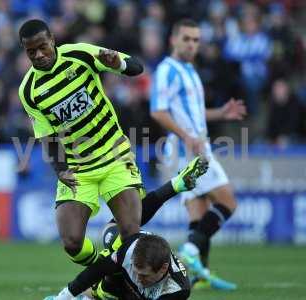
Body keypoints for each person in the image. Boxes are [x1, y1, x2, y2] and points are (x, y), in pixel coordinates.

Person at [18, 19, 146, 267]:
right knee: (72, 243)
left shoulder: (80, 54)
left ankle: (118, 278)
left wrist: (117, 63)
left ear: (53, 40)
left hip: (115, 156)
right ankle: (105, 271)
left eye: (43, 47)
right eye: (31, 51)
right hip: (79, 169)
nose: (39, 55)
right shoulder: (28, 90)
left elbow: (136, 67)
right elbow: (47, 137)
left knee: (130, 233)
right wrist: (60, 169)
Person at [150, 19, 246, 290]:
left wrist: (220, 113)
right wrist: (188, 138)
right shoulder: (167, 71)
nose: (192, 45)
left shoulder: (189, 70)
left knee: (198, 212)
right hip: (190, 149)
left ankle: (197, 276)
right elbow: (158, 111)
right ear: (173, 39)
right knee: (228, 202)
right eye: (187, 39)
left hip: (191, 145)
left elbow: (192, 111)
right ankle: (191, 250)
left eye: (196, 40)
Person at [45, 156, 209, 300]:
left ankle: (176, 185)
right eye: (137, 272)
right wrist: (64, 296)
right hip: (125, 248)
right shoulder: (129, 253)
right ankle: (175, 185)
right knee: (111, 238)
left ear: (164, 269)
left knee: (108, 284)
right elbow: (95, 272)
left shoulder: (177, 290)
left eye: (144, 275)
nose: (139, 278)